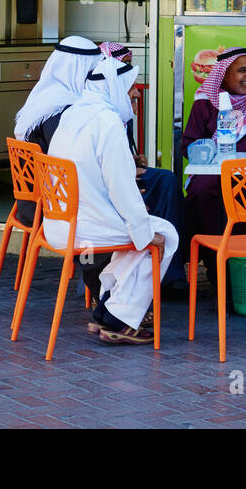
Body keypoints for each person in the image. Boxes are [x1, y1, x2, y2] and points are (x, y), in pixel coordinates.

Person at [46, 57, 178, 346]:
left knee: (142, 234)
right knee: (165, 235)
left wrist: (139, 228)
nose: (137, 93)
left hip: (59, 223)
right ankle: (119, 319)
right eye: (131, 86)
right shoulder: (108, 123)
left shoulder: (74, 113)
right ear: (115, 87)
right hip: (85, 228)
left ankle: (108, 308)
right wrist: (144, 232)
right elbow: (122, 189)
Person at [179, 48, 246, 282]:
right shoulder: (205, 101)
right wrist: (208, 150)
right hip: (216, 173)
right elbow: (188, 144)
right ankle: (215, 266)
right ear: (223, 75)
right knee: (200, 192)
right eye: (242, 70)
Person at [11, 36, 100, 225]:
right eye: (90, 72)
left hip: (28, 205)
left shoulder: (42, 99)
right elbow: (72, 161)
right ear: (77, 71)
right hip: (51, 209)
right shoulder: (60, 108)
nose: (93, 78)